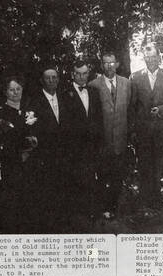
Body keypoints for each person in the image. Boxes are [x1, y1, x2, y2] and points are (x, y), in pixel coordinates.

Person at [130, 44, 163, 205]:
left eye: (153, 57)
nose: (150, 60)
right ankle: (144, 198)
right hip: (143, 128)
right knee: (144, 163)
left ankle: (157, 198)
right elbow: (132, 105)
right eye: (147, 58)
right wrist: (134, 128)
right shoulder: (135, 77)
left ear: (159, 57)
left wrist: (160, 109)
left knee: (159, 163)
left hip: (162, 127)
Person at [28, 65, 73, 232]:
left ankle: (65, 223)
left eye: (54, 77)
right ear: (42, 80)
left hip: (65, 155)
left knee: (64, 190)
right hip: (46, 156)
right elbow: (32, 129)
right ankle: (49, 225)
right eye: (48, 78)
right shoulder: (34, 101)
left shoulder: (65, 98)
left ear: (58, 80)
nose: (52, 81)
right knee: (48, 192)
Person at [88, 52, 131, 215]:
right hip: (102, 141)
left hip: (121, 139)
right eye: (106, 63)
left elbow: (129, 108)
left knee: (118, 176)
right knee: (103, 176)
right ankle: (102, 208)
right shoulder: (94, 85)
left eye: (112, 63)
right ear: (101, 65)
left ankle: (115, 207)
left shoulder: (126, 84)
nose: (109, 66)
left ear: (117, 64)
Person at [0, 76, 38, 233]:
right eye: (11, 89)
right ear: (6, 92)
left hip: (31, 162)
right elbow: (7, 139)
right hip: (12, 162)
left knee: (30, 198)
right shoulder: (1, 113)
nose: (15, 92)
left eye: (18, 89)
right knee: (13, 199)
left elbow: (35, 132)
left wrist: (33, 143)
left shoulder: (29, 110)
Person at [64, 60, 104, 221]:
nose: (81, 77)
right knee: (77, 179)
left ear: (89, 74)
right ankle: (77, 214)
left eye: (85, 73)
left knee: (92, 177)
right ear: (73, 74)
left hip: (93, 145)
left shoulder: (94, 91)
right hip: (75, 146)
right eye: (78, 74)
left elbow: (98, 118)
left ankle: (91, 211)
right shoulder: (65, 94)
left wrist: (99, 141)